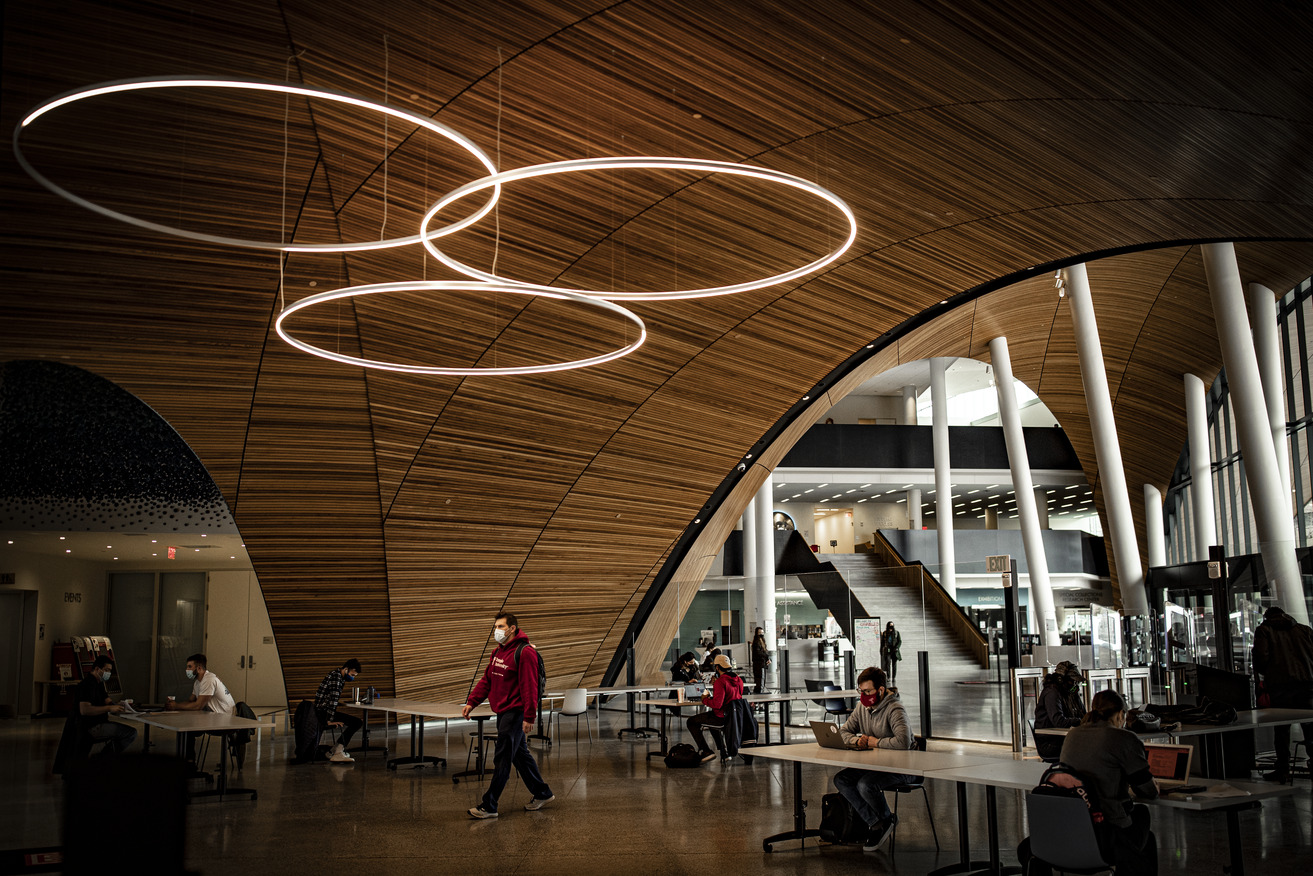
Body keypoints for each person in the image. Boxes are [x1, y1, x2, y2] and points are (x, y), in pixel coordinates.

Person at [1021, 688, 1158, 875]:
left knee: (1144, 839)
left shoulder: (1073, 735)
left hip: (1070, 827)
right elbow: (1147, 790)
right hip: (1103, 834)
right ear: (1120, 714)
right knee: (1142, 815)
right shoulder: (1124, 738)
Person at [465, 612, 554, 818]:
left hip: (515, 712)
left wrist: (529, 717)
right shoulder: (498, 652)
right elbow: (487, 680)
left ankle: (490, 805)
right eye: (496, 627)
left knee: (503, 758)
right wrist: (472, 702)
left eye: (501, 627)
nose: (497, 631)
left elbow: (530, 687)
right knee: (520, 755)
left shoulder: (525, 653)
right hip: (503, 711)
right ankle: (542, 792)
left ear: (512, 628)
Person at [835, 666, 914, 852]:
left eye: (868, 691)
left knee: (865, 784)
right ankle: (877, 821)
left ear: (880, 690)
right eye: (861, 691)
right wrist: (857, 740)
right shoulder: (862, 707)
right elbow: (844, 731)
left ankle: (885, 820)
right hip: (875, 764)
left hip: (902, 767)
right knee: (841, 779)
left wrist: (875, 742)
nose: (864, 695)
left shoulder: (895, 709)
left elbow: (904, 741)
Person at [1252, 605, 1313, 782]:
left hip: (1280, 687)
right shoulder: (1305, 629)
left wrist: (1269, 673)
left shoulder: (1264, 630)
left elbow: (1261, 657)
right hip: (1307, 685)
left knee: (1281, 731)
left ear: (1267, 617)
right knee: (1310, 729)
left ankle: (1283, 769)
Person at [165, 653, 236, 765]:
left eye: (189, 667)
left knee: (188, 728)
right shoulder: (198, 682)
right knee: (186, 724)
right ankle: (187, 760)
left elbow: (198, 706)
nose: (187, 670)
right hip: (212, 715)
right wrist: (174, 705)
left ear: (198, 668)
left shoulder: (209, 679)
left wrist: (177, 706)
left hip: (223, 718)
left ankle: (189, 762)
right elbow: (191, 702)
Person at [686, 653, 744, 762]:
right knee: (711, 722)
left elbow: (717, 704)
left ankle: (706, 751)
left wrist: (704, 699)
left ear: (717, 667)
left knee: (691, 722)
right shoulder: (739, 680)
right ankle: (724, 753)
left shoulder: (721, 682)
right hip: (734, 716)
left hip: (721, 717)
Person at [74, 656, 137, 755]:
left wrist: (118, 705)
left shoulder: (99, 683)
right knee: (131, 733)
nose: (108, 673)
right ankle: (104, 758)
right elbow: (85, 710)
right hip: (91, 726)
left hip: (100, 722)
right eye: (106, 670)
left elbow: (107, 700)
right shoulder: (87, 685)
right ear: (97, 669)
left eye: (110, 671)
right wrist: (109, 708)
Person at [1034, 660, 1086, 761]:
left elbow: (1083, 714)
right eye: (1072, 681)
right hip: (1050, 742)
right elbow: (1058, 721)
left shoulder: (1071, 693)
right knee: (1087, 748)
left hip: (1066, 738)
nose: (1075, 686)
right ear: (1061, 680)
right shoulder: (1052, 693)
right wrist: (1079, 721)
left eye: (1077, 682)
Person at [315, 658, 363, 763]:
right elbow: (333, 701)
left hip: (322, 711)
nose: (352, 678)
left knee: (356, 722)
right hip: (323, 713)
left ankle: (334, 750)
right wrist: (329, 720)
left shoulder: (336, 675)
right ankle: (338, 751)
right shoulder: (336, 678)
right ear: (346, 669)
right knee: (357, 722)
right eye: (352, 674)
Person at [751, 627, 771, 693]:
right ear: (756, 633)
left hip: (761, 663)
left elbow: (765, 652)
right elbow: (759, 653)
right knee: (760, 682)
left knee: (760, 682)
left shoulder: (762, 642)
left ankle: (758, 697)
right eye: (759, 633)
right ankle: (759, 697)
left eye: (762, 632)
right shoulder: (756, 642)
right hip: (759, 664)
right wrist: (767, 657)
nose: (761, 634)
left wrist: (768, 658)